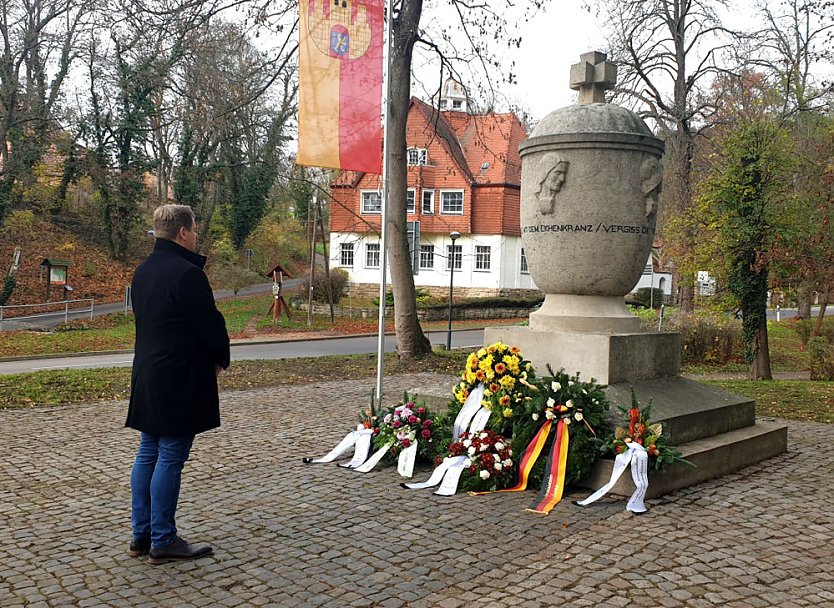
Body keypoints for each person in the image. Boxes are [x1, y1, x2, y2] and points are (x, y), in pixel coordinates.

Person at [125, 204, 230, 565]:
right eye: (195, 229)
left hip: (147, 374)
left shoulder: (142, 272)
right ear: (183, 232)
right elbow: (209, 325)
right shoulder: (186, 274)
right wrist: (220, 359)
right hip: (179, 377)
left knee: (147, 452)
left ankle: (141, 535)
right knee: (169, 455)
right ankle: (164, 539)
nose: (195, 235)